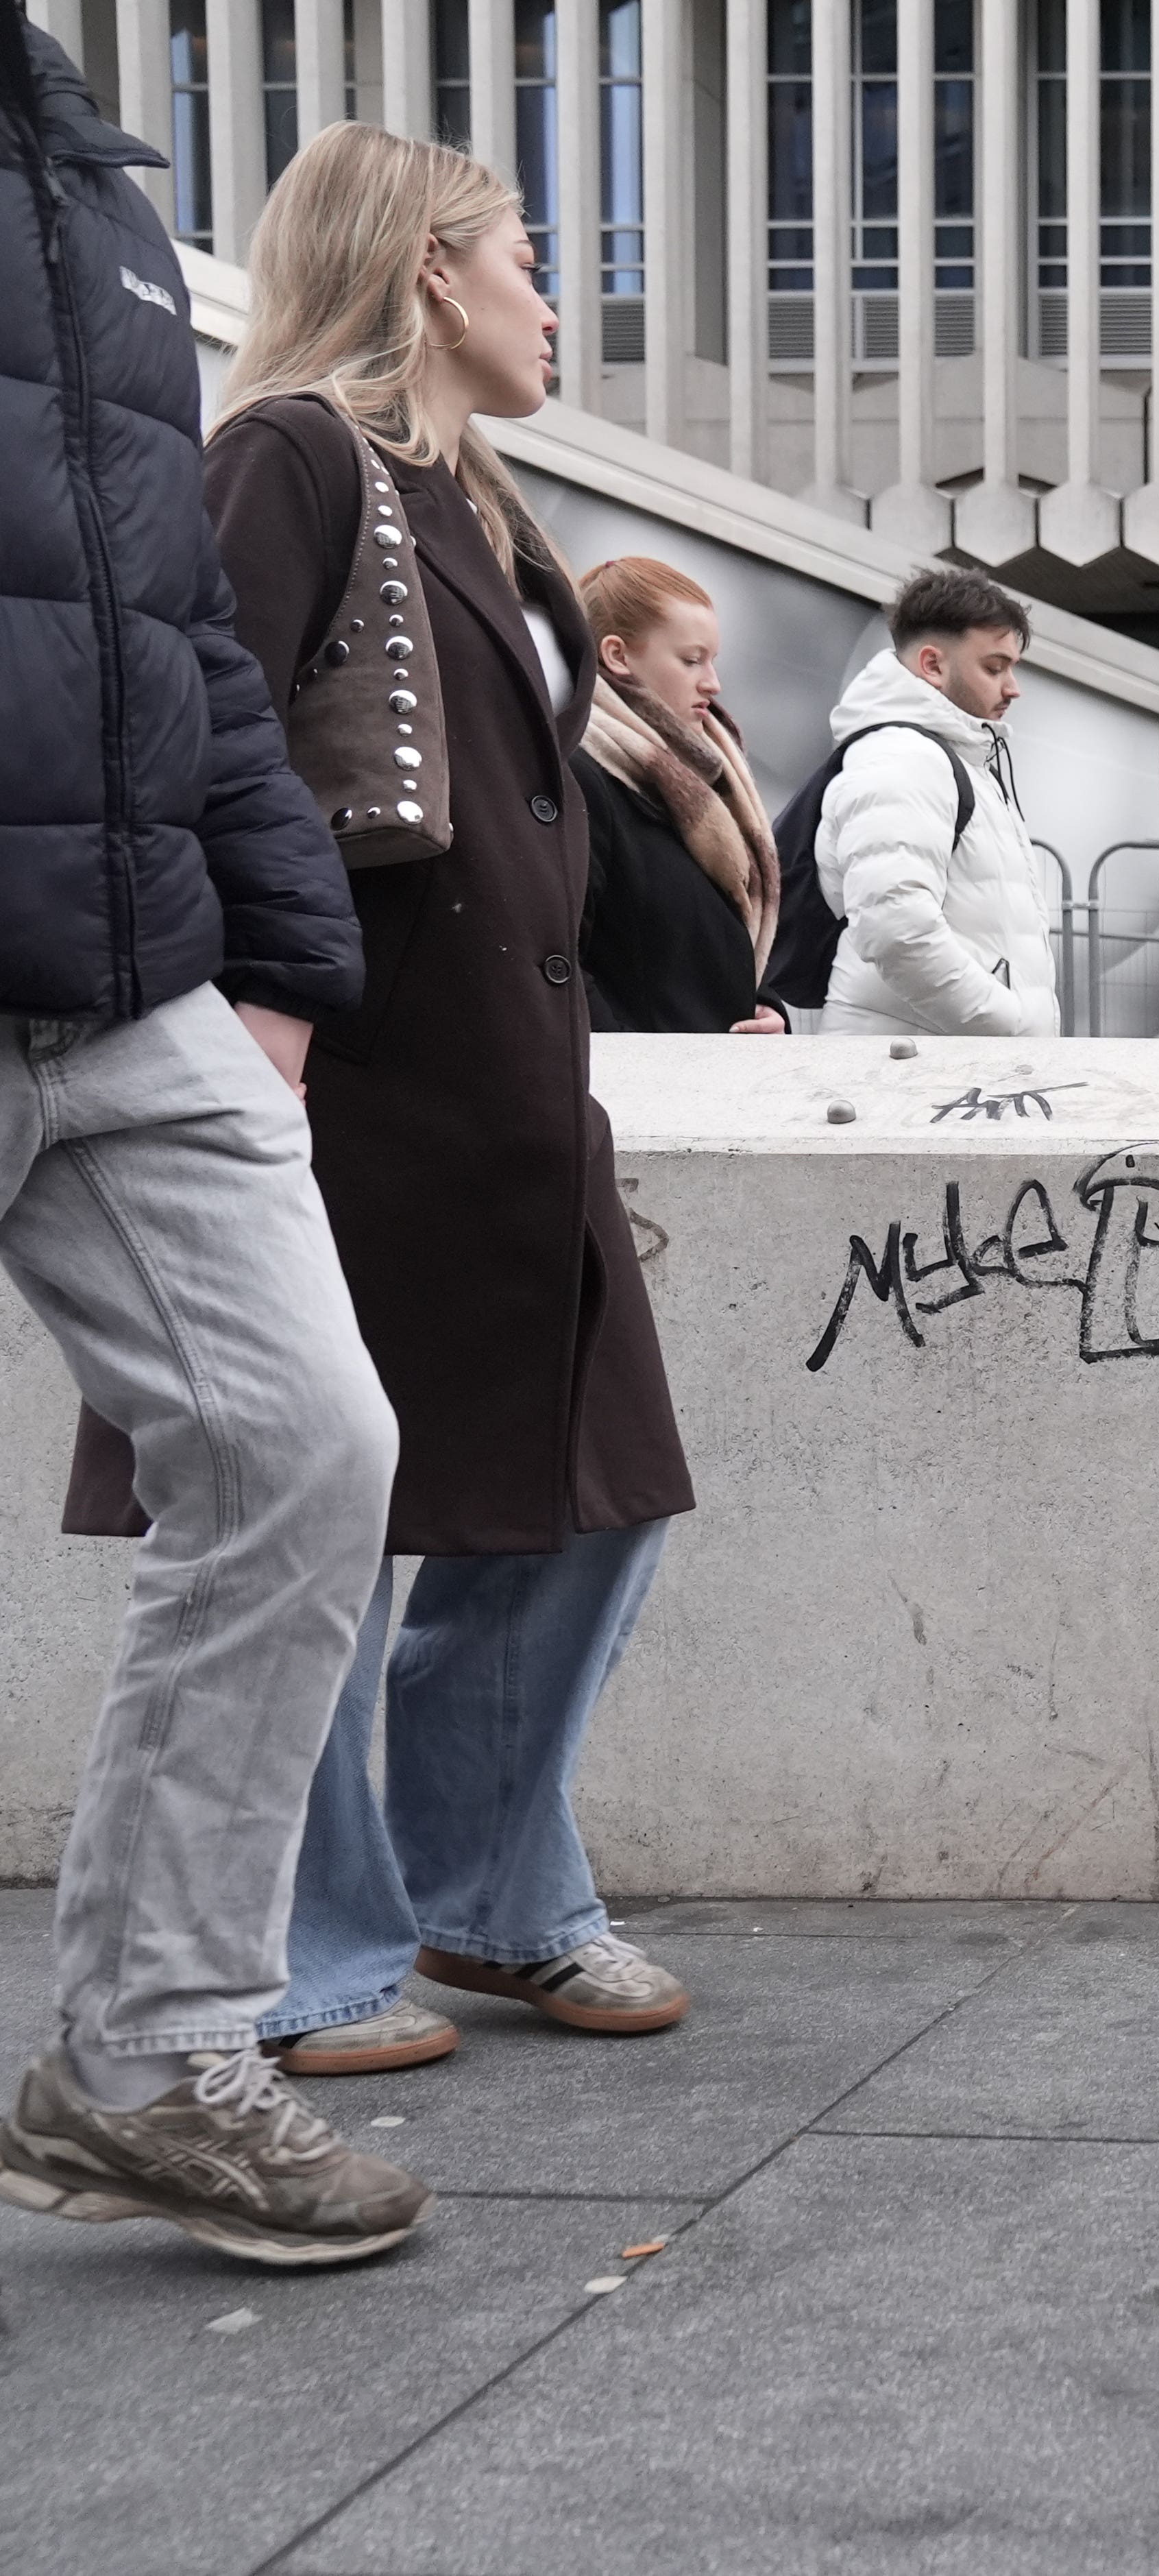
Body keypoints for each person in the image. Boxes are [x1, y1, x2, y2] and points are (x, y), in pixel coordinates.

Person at [65, 121, 702, 2078]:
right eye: (522, 253)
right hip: (347, 1080)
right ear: (427, 267)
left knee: (587, 1495)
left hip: (506, 1086)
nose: (549, 293)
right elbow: (190, 744)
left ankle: (487, 1897)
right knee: (333, 1510)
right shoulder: (289, 456)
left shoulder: (487, 500)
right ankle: (327, 1952)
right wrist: (263, 1012)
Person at [0, 29, 426, 2265]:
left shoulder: (92, 198)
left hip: (134, 972)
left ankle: (154, 2062)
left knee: (301, 1448)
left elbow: (170, 622)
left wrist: (276, 948)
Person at [818, 566, 1058, 1039]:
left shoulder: (954, 756)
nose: (1012, 688)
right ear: (932, 665)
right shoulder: (904, 757)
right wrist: (1005, 1021)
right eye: (994, 667)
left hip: (935, 1065)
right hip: (910, 1071)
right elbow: (895, 928)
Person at [574, 555, 783, 1035]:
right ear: (618, 656)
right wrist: (645, 1069)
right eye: (691, 660)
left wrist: (769, 1011)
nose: (713, 683)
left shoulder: (711, 776)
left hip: (718, 1083)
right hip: (646, 1095)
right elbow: (560, 961)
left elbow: (730, 934)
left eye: (712, 660)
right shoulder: (582, 778)